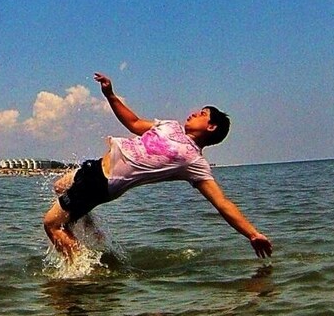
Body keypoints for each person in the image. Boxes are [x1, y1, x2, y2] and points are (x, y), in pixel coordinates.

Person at [43, 72, 272, 261]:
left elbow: (222, 202)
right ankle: (89, 230)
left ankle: (82, 271)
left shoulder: (194, 161)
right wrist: (110, 94)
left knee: (51, 224)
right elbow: (133, 123)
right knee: (59, 187)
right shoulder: (170, 126)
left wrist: (252, 234)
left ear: (211, 127)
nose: (194, 113)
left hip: (104, 183)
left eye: (202, 114)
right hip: (94, 167)